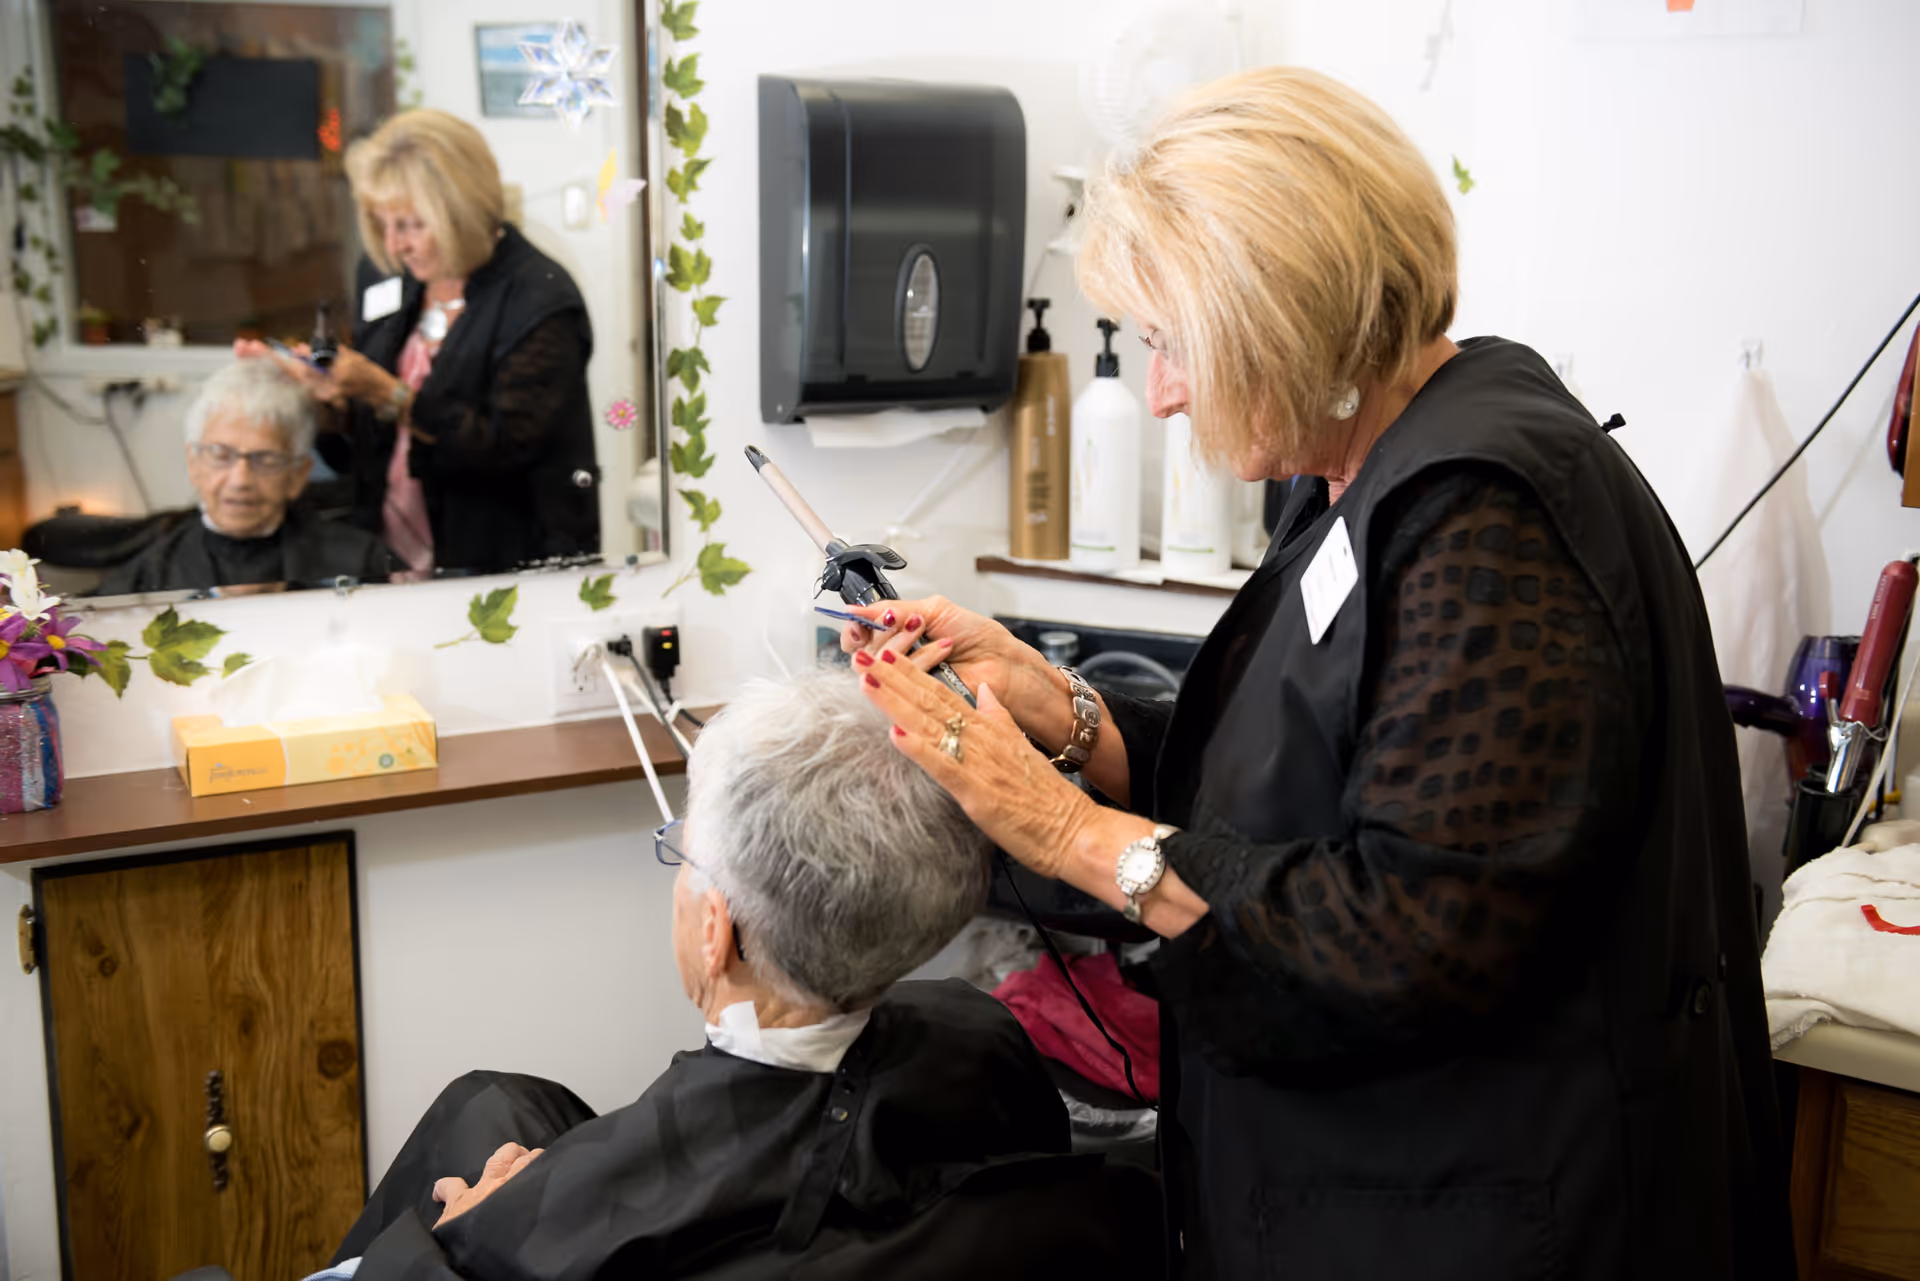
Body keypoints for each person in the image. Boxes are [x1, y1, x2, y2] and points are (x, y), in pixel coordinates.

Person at [847, 68, 1793, 1279]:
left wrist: (1062, 828)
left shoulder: (1484, 520)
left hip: (1510, 1219)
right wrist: (1061, 707)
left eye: (1171, 341)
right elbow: (1301, 771)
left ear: (1281, 314)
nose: (1164, 390)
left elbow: (1401, 933)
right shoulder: (1364, 468)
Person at [326, 671, 1161, 1280]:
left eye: (681, 853)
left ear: (715, 930)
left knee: (475, 1119)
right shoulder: (983, 1035)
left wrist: (456, 1242)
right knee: (497, 1097)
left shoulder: (527, 1229)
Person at [241, 109, 599, 577]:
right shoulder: (387, 275)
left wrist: (387, 393)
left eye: (410, 225)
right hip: (385, 555)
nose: (393, 246)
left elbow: (503, 451)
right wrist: (323, 398)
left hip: (501, 566)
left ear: (462, 211)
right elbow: (370, 442)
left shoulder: (540, 300)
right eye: (381, 223)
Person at [93, 361, 393, 596]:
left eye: (266, 459)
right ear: (193, 462)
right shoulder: (150, 575)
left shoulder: (360, 561)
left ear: (298, 474)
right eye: (221, 454)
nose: (241, 479)